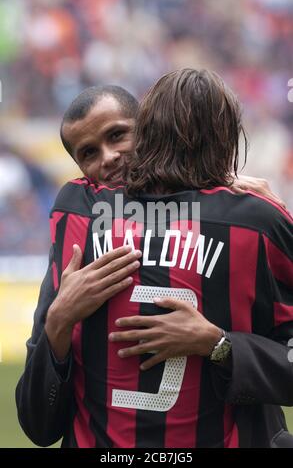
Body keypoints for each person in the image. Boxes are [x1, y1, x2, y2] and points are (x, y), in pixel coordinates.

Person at [16, 80, 291, 448]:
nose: (109, 157)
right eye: (89, 153)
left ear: (150, 131)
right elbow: (38, 425)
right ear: (79, 167)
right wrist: (59, 319)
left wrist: (219, 344)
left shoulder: (76, 212)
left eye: (117, 136)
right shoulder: (78, 232)